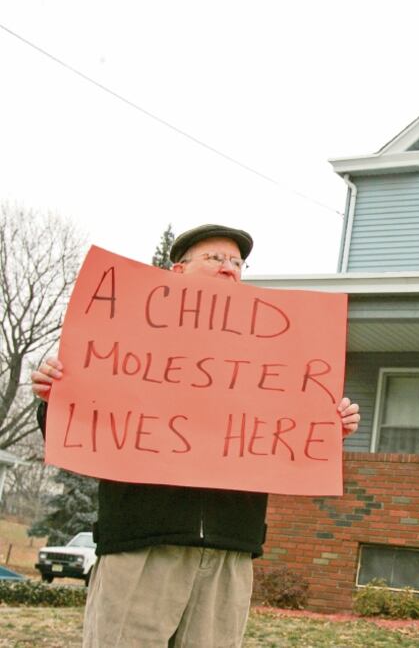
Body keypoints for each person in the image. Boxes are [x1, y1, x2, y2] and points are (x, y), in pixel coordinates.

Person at [31, 224, 360, 647]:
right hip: (142, 546)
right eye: (216, 258)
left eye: (238, 263)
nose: (230, 269)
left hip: (229, 549)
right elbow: (76, 427)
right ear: (178, 269)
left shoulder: (268, 354)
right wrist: (53, 396)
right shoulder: (126, 336)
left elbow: (282, 439)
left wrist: (328, 424)